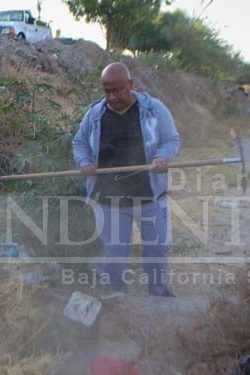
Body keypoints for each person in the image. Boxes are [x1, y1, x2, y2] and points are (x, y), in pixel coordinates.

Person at [72, 62, 180, 298]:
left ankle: (157, 288)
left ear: (130, 84)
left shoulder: (154, 110)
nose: (112, 97)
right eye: (107, 91)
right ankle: (116, 291)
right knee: (114, 251)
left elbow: (171, 139)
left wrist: (162, 157)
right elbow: (79, 143)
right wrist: (84, 163)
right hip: (110, 196)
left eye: (118, 90)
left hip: (149, 193)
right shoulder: (95, 115)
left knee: (158, 247)